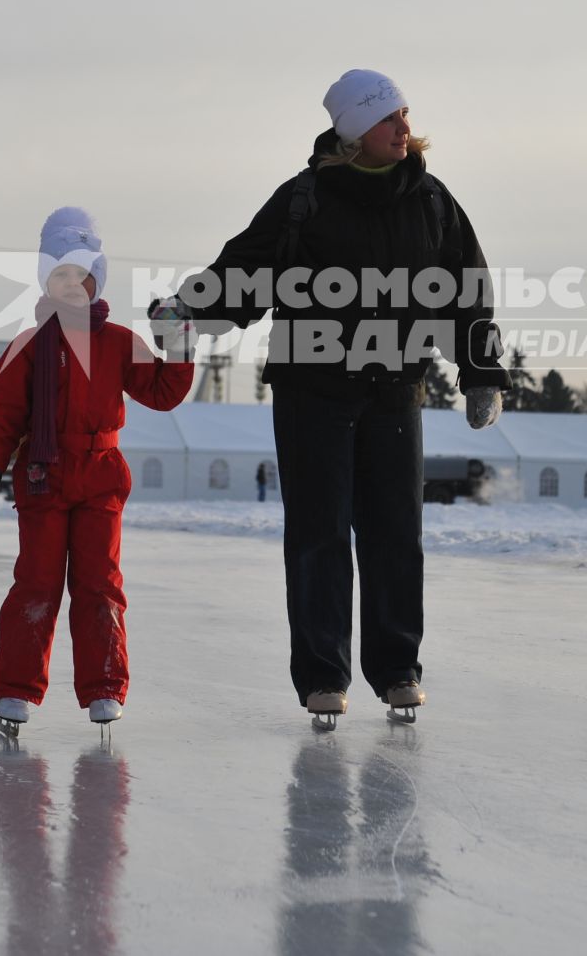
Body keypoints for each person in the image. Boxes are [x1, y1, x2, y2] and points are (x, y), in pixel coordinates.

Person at [154, 70, 507, 726]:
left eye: (405, 115)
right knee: (319, 534)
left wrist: (481, 370)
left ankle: (397, 668)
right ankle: (323, 675)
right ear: (354, 131)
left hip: (396, 387)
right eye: (389, 117)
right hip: (312, 390)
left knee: (395, 532)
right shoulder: (305, 200)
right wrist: (188, 310)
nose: (405, 127)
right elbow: (248, 268)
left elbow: (468, 288)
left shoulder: (431, 201)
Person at [0, 207, 194, 734]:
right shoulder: (26, 346)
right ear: (47, 281)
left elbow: (162, 392)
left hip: (100, 476)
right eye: (59, 275)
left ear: (96, 279)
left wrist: (178, 341)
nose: (70, 285)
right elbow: (2, 421)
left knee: (99, 584)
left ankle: (104, 686)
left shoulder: (115, 340)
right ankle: (17, 691)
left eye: (79, 275)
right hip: (44, 476)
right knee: (37, 584)